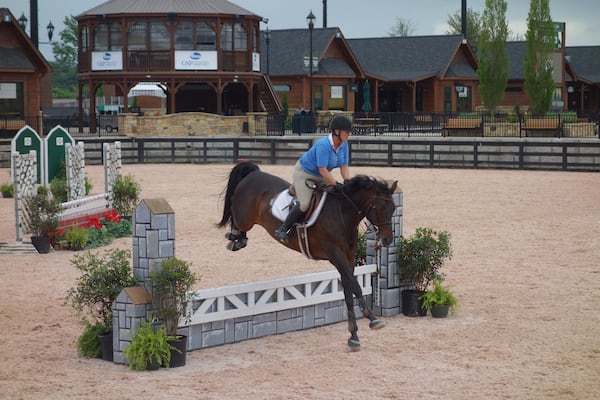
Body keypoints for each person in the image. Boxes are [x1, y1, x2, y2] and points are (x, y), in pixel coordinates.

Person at [275, 115, 353, 243]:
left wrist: (347, 181)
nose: (349, 134)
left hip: (322, 175)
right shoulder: (323, 145)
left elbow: (344, 166)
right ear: (337, 132)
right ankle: (283, 229)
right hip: (305, 173)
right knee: (304, 204)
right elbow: (322, 169)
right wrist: (335, 183)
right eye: (346, 132)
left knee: (339, 194)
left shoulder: (344, 145)